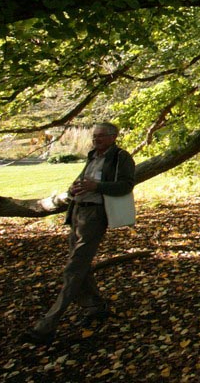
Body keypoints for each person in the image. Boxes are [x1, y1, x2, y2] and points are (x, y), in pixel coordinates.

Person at [22, 122, 136, 345]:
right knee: (80, 265)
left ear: (113, 137)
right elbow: (83, 181)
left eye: (101, 136)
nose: (96, 139)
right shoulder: (93, 156)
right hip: (78, 213)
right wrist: (73, 189)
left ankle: (47, 325)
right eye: (94, 136)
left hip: (95, 215)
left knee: (74, 268)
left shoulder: (121, 157)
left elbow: (125, 186)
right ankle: (96, 306)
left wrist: (97, 187)